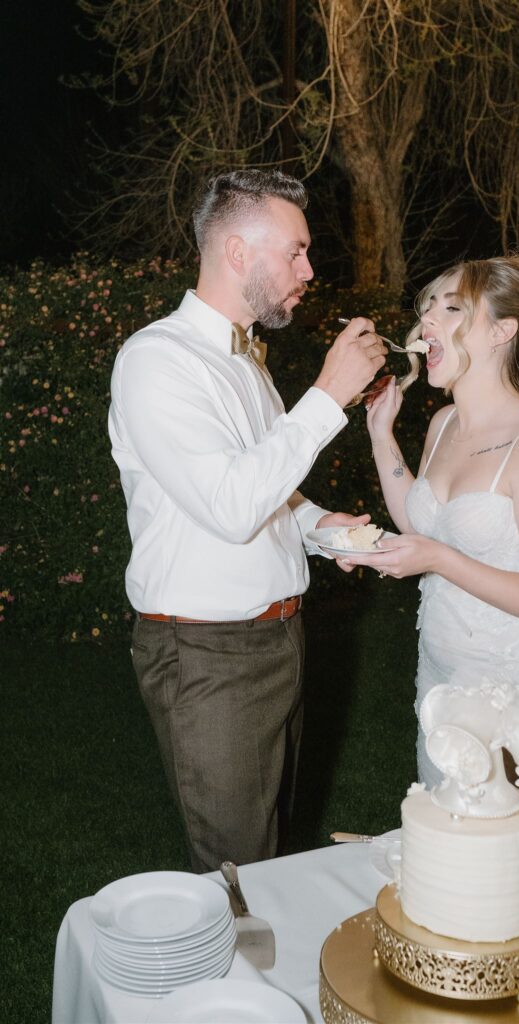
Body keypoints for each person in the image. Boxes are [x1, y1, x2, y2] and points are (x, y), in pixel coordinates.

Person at [108, 169, 386, 871]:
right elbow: (231, 508)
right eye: (294, 251)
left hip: (277, 638)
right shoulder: (156, 361)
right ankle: (230, 980)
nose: (309, 269)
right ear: (237, 254)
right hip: (209, 654)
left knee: (271, 851)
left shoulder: (244, 359)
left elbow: (269, 492)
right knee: (238, 873)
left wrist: (323, 530)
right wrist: (328, 394)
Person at [345, 255, 519, 794]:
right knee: (450, 849)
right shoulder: (443, 423)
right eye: (428, 306)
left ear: (503, 331)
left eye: (453, 307)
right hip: (442, 677)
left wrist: (437, 560)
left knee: (512, 859)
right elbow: (420, 524)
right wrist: (380, 433)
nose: (427, 321)